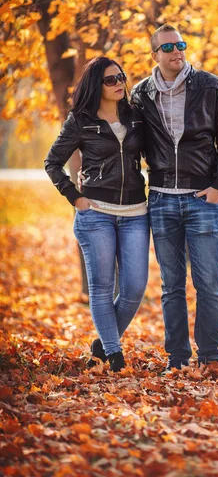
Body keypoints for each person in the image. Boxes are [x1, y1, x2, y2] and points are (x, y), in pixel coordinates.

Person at [131, 24, 218, 371]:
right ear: (155, 55)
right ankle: (177, 359)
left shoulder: (212, 86)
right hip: (161, 198)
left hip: (201, 197)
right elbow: (129, 143)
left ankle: (210, 356)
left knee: (208, 283)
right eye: (169, 48)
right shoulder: (141, 94)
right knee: (171, 286)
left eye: (182, 45)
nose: (178, 51)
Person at [44, 57, 149, 373]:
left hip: (135, 212)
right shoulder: (80, 121)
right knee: (102, 288)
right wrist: (75, 197)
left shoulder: (137, 119)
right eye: (110, 79)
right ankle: (115, 357)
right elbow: (52, 163)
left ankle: (102, 346)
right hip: (96, 214)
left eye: (121, 77)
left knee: (133, 289)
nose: (119, 83)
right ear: (96, 85)